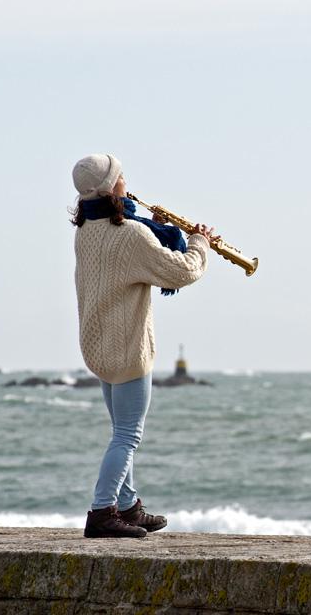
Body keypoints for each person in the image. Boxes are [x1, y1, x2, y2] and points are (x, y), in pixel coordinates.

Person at [71, 153, 217, 538]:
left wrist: (158, 231)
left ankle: (128, 507)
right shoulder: (131, 235)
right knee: (127, 436)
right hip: (127, 349)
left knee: (119, 431)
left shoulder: (86, 231)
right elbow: (181, 271)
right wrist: (199, 243)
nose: (126, 181)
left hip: (99, 347)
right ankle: (102, 512)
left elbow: (130, 255)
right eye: (121, 177)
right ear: (111, 187)